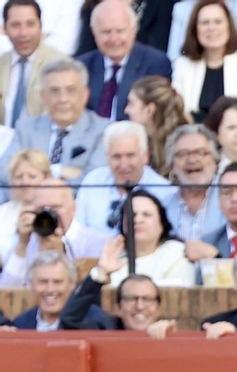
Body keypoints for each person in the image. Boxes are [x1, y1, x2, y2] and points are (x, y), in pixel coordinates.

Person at [0, 58, 107, 186]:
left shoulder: (103, 130)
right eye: (54, 91)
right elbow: (4, 172)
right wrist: (57, 171)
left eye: (71, 90)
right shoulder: (26, 128)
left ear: (85, 94)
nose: (63, 99)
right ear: (43, 96)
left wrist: (31, 177)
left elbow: (94, 181)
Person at [74, 121, 179, 236]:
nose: (123, 165)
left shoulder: (165, 192)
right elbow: (77, 231)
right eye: (116, 156)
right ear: (107, 157)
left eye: (130, 156)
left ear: (145, 156)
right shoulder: (93, 180)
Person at [0, 175, 105, 285]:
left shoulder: (96, 243)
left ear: (73, 208)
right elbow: (7, 292)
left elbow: (87, 293)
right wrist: (22, 244)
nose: (48, 214)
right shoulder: (27, 242)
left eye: (55, 208)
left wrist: (61, 255)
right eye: (42, 209)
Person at [76, 0, 171, 122]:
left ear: (134, 29)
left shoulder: (155, 64)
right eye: (106, 32)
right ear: (94, 31)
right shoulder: (82, 65)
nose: (113, 39)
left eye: (120, 31)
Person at [0, 0, 67, 127]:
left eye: (30, 24)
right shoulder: (1, 63)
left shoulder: (61, 65)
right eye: (15, 25)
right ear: (5, 28)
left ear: (40, 26)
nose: (23, 33)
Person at [55, 270, 174, 335]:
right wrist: (100, 272)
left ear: (158, 308)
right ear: (119, 307)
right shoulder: (105, 330)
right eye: (131, 299)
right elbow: (70, 318)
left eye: (148, 299)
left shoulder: (165, 332)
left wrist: (167, 336)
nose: (139, 306)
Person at [165, 124, 225, 243]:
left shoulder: (230, 195)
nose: (192, 160)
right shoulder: (162, 204)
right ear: (172, 165)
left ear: (215, 160)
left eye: (200, 152)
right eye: (183, 154)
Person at [125, 78, 191, 177]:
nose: (126, 110)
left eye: (131, 104)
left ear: (149, 110)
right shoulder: (141, 142)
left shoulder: (182, 145)